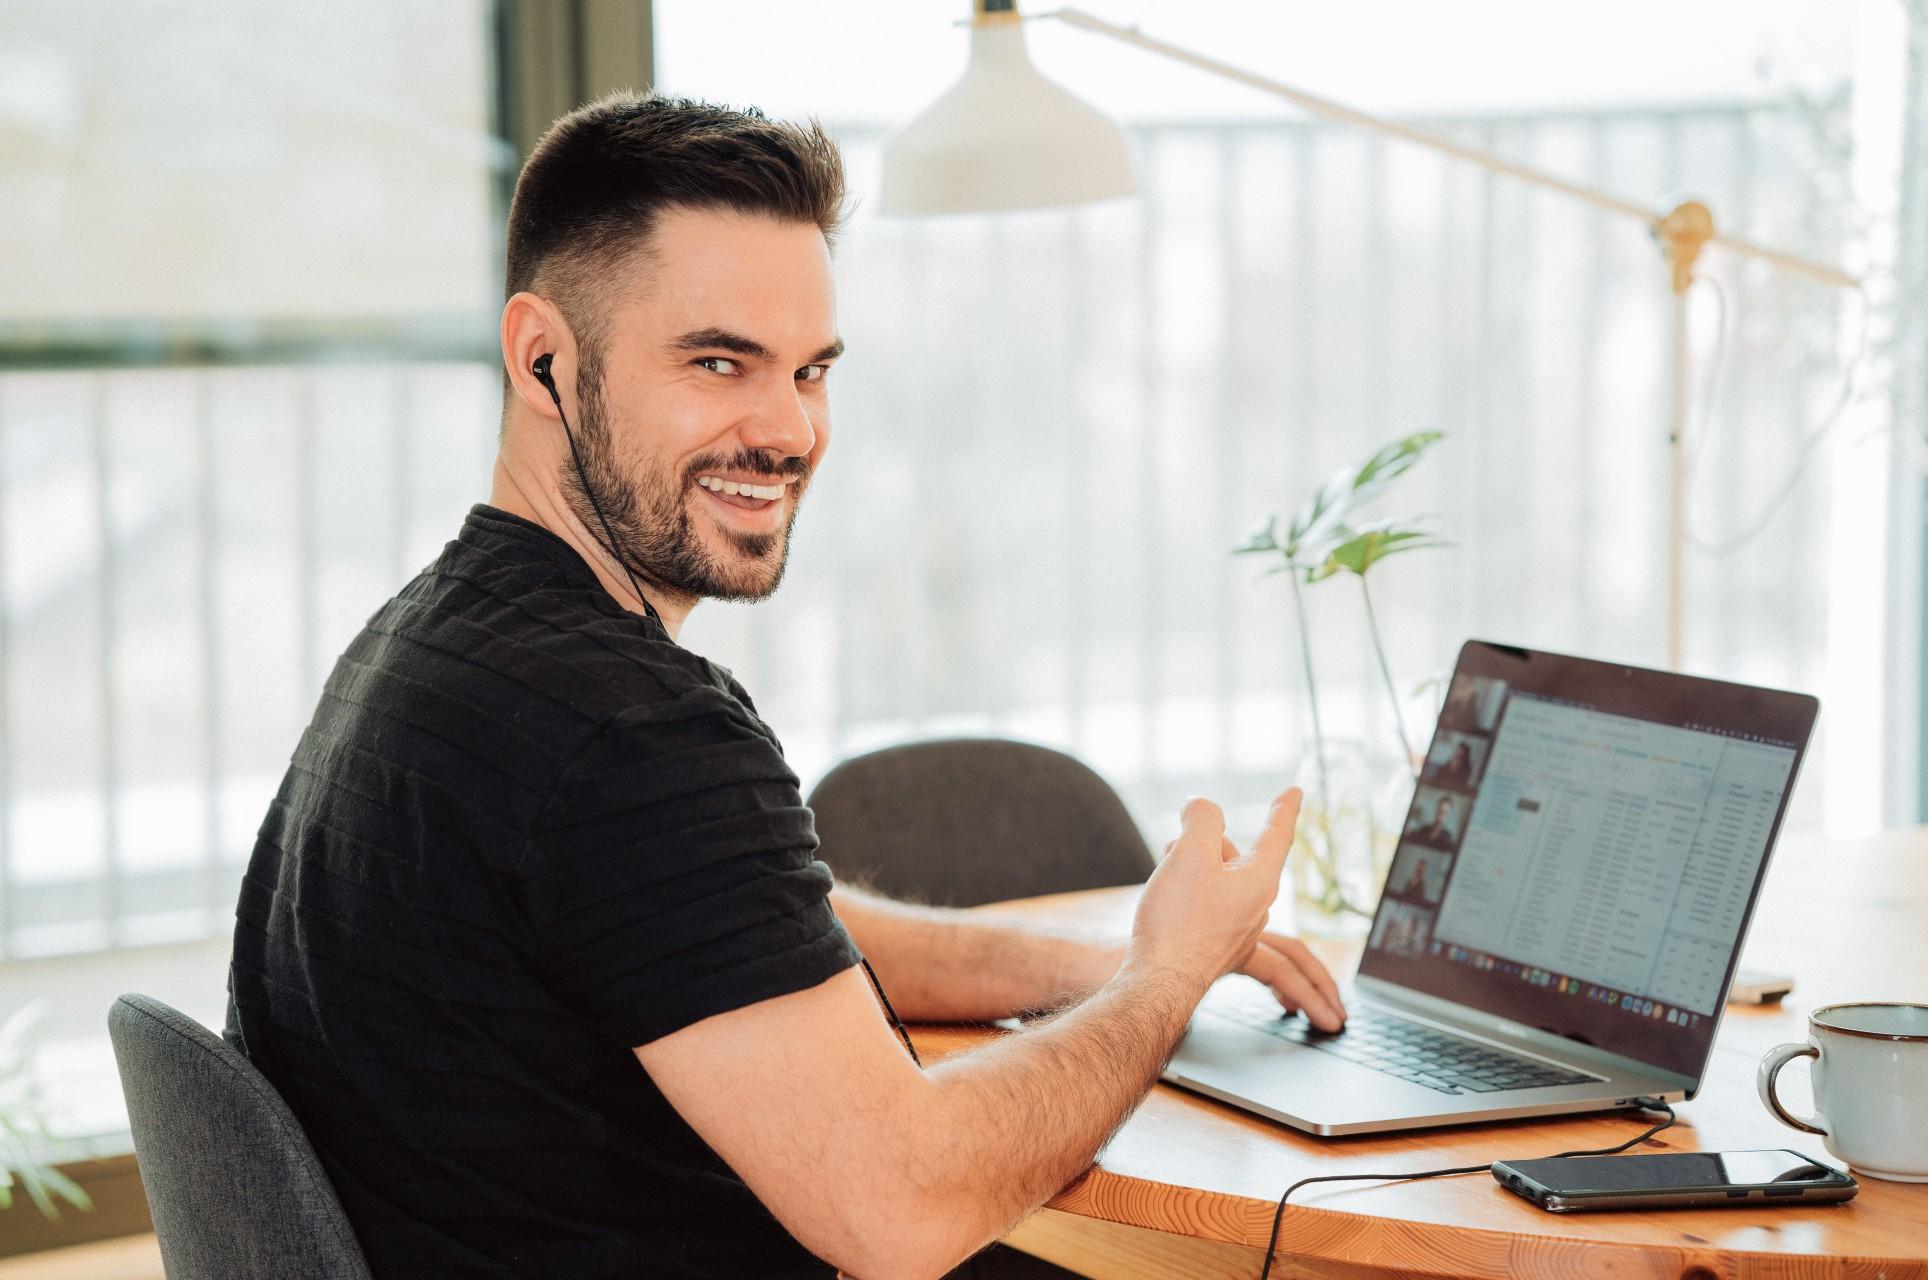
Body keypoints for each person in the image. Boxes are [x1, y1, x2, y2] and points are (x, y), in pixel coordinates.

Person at [225, 93, 1345, 1280]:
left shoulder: (438, 642)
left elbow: (727, 936)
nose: (787, 428)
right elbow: (905, 1210)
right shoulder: (627, 730)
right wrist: (1169, 977)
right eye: (718, 362)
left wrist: (1098, 966)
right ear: (541, 357)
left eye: (809, 370)